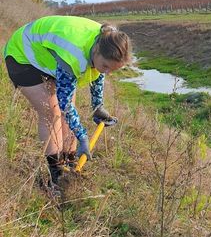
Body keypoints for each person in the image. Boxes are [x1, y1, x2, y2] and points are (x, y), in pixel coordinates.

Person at [3, 15, 132, 186]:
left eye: (112, 70)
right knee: (52, 111)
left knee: (66, 111)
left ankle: (70, 163)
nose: (107, 72)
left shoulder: (108, 39)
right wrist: (83, 137)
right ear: (96, 51)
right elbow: (65, 105)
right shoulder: (73, 54)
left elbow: (98, 72)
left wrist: (97, 105)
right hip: (23, 55)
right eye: (106, 66)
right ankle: (56, 175)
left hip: (48, 56)